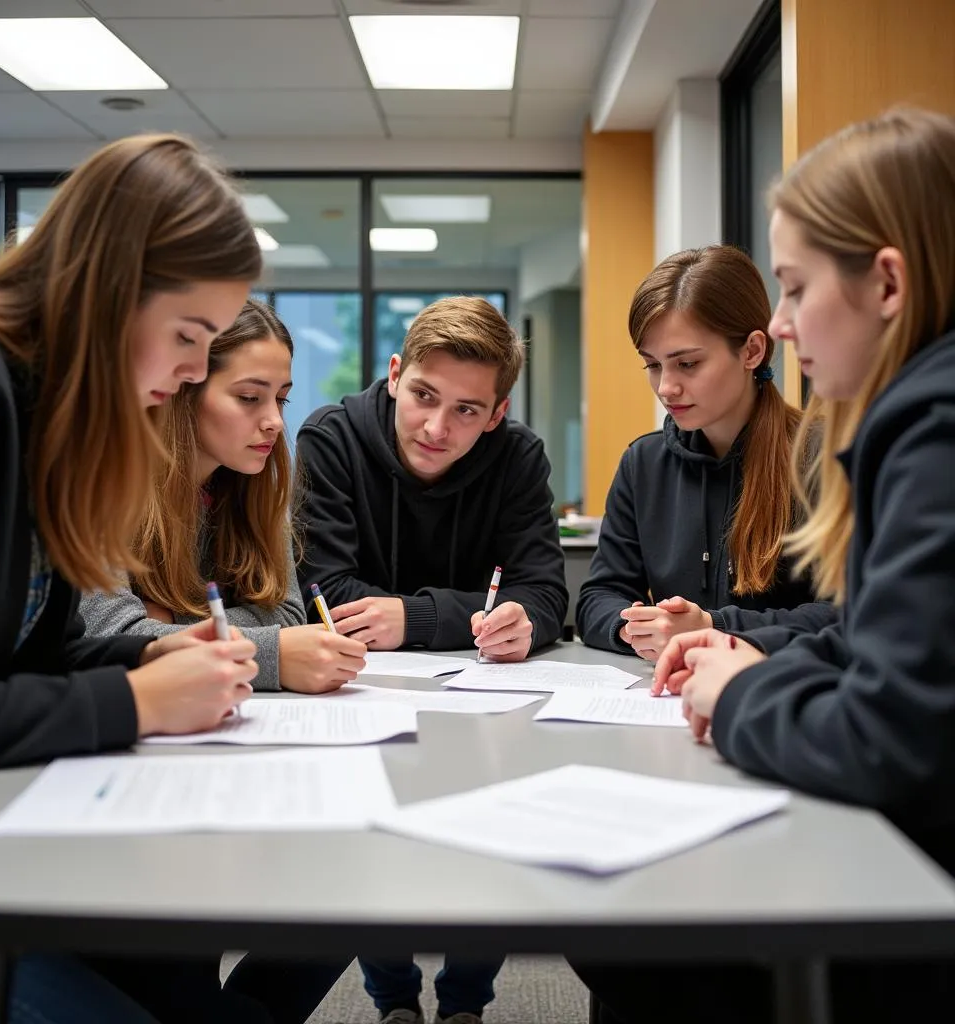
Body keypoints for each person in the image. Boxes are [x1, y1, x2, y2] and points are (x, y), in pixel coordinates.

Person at [0, 133, 330, 1024]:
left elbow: (26, 646)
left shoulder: (49, 412)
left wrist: (151, 654)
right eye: (189, 337)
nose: (192, 372)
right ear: (111, 292)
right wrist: (138, 702)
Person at [576, 106, 955, 1021]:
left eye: (794, 287)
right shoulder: (650, 460)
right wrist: (671, 638)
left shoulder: (908, 435)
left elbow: (886, 724)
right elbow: (871, 634)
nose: (785, 324)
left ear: (888, 285)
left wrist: (734, 672)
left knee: (645, 953)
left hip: (907, 890)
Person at [295, 296, 569, 1023]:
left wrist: (514, 618)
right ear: (394, 373)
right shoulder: (329, 439)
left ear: (499, 411)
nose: (437, 428)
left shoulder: (518, 458)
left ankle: (466, 1004)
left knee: (492, 829)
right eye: (423, 395)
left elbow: (546, 591)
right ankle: (391, 1002)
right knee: (371, 832)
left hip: (481, 698)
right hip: (363, 691)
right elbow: (327, 591)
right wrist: (451, 614)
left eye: (467, 411)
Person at [81, 298, 367, 694]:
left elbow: (288, 616)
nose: (274, 422)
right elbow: (109, 637)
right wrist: (269, 654)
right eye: (250, 398)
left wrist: (168, 626)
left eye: (281, 398)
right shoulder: (103, 486)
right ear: (184, 392)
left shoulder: (254, 485)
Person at [576, 245, 835, 662]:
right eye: (653, 365)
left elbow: (845, 616)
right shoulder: (643, 464)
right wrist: (633, 627)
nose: (666, 388)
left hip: (780, 695)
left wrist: (714, 628)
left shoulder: (823, 458)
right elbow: (599, 598)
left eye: (688, 364)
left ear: (752, 351)